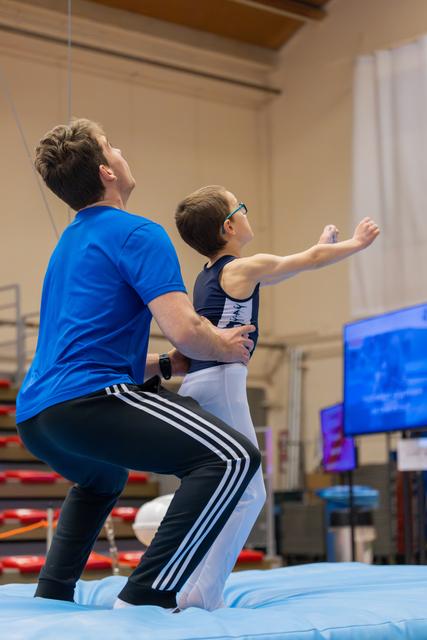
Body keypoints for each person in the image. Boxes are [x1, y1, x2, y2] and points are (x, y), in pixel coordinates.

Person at [15, 120, 261, 611]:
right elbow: (188, 330)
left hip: (36, 416)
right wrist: (225, 345)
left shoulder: (69, 244)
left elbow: (92, 349)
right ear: (107, 171)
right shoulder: (138, 232)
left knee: (103, 479)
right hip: (88, 402)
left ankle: (54, 593)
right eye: (112, 146)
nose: (122, 151)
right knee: (232, 459)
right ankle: (146, 596)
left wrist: (168, 364)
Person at [174, 184, 380, 609]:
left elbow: (289, 268)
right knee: (250, 493)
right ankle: (204, 595)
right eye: (241, 208)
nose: (248, 213)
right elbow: (304, 262)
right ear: (229, 226)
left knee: (222, 490)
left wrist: (317, 247)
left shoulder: (211, 275)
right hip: (223, 382)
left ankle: (190, 586)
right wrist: (356, 245)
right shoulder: (242, 267)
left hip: (198, 383)